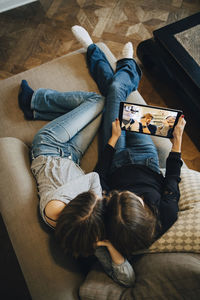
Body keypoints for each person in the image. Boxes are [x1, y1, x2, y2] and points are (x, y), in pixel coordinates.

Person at [55, 26, 185, 286]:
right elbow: (172, 177)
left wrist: (112, 143)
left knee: (114, 91)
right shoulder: (166, 215)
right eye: (135, 197)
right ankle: (127, 66)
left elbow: (99, 177)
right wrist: (177, 141)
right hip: (145, 156)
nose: (128, 191)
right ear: (147, 210)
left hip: (114, 157)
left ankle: (99, 52)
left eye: (119, 196)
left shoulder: (108, 225)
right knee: (117, 91)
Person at [18, 25, 141, 287]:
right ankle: (121, 62)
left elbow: (94, 178)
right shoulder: (85, 234)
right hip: (72, 155)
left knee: (96, 102)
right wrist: (105, 242)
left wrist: (100, 200)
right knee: (109, 100)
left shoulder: (54, 208)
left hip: (50, 146)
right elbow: (128, 278)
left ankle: (35, 102)